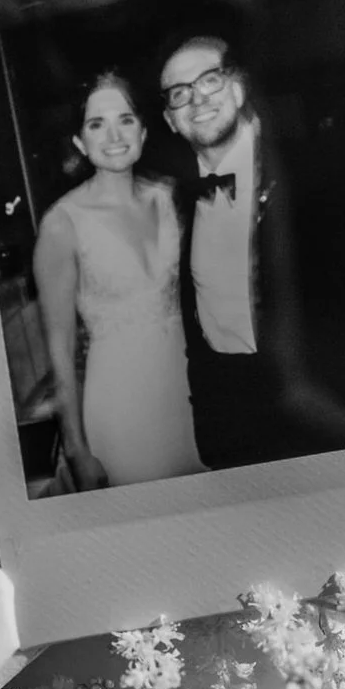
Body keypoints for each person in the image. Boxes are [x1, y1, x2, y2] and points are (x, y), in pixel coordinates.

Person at [160, 32, 345, 469]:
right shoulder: (187, 210)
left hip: (334, 413)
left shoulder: (309, 182)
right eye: (181, 92)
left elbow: (297, 371)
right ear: (170, 118)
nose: (197, 99)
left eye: (209, 81)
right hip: (265, 436)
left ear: (238, 87)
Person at [32, 72, 202, 489]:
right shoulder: (61, 223)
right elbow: (60, 350)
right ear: (79, 142)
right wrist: (76, 450)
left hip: (190, 395)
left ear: (143, 132)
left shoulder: (168, 196)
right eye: (96, 124)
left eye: (125, 120)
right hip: (120, 405)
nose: (113, 135)